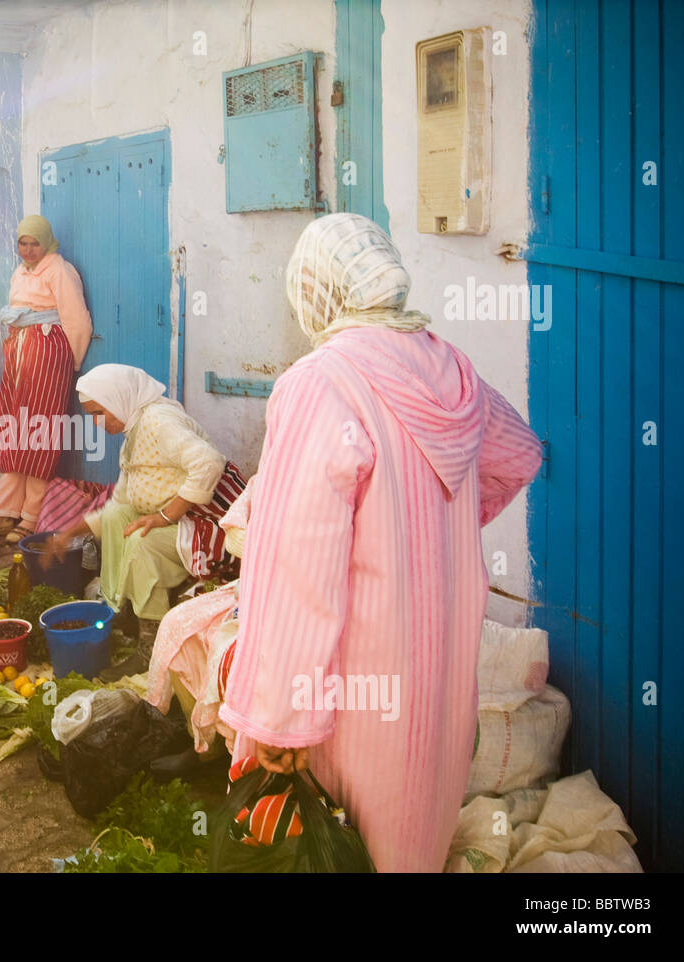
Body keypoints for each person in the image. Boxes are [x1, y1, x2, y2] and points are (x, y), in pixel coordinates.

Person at [219, 213, 543, 872]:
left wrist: (279, 720)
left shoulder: (321, 382)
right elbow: (516, 455)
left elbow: (297, 571)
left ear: (318, 291)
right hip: (442, 678)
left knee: (347, 847)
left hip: (356, 692)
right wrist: (428, 531)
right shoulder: (452, 368)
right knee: (414, 841)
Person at [46, 364, 237, 659]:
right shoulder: (134, 431)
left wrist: (165, 516)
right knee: (114, 518)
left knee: (141, 541)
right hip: (180, 517)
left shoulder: (159, 421)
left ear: (119, 399)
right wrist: (67, 535)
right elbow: (120, 502)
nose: (97, 423)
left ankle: (150, 642)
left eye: (100, 413)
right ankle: (119, 606)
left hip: (209, 520)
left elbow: (209, 463)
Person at [0, 215, 92, 544]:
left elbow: (77, 319)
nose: (29, 250)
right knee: (13, 424)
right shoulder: (19, 271)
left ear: (47, 242)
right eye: (23, 243)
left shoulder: (60, 270)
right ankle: (6, 506)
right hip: (19, 350)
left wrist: (68, 364)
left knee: (40, 429)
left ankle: (32, 515)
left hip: (48, 351)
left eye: (35, 243)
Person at [146, 474, 256, 767]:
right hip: (252, 589)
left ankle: (229, 747)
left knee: (227, 651)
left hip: (292, 604)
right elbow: (238, 532)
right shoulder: (271, 473)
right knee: (177, 622)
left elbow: (245, 539)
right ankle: (202, 740)